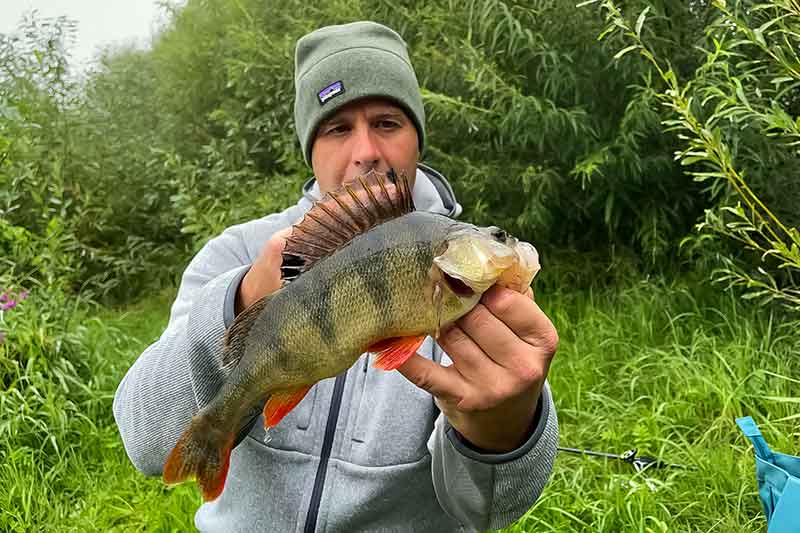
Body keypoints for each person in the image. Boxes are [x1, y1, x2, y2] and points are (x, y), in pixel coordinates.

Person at [113, 20, 559, 532]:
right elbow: (145, 441)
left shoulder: (474, 290)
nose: (366, 151)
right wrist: (239, 302)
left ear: (417, 138)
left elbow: (489, 512)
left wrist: (502, 428)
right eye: (338, 128)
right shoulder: (236, 253)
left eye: (388, 122)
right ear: (311, 147)